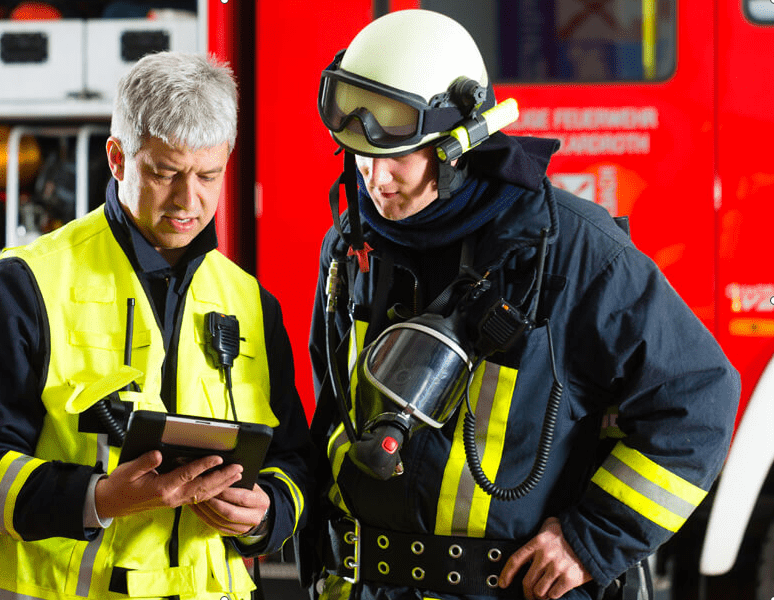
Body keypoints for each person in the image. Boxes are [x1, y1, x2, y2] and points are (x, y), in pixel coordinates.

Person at [300, 10, 741, 600]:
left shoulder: (572, 249)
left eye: (398, 156)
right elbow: (333, 414)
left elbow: (699, 395)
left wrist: (592, 540)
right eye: (359, 156)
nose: (375, 180)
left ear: (458, 147)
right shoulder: (352, 244)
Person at [0, 51, 312, 600]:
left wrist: (264, 513)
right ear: (117, 158)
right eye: (164, 173)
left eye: (208, 175)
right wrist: (99, 498)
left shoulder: (251, 302)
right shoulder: (26, 283)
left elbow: (291, 459)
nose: (188, 201)